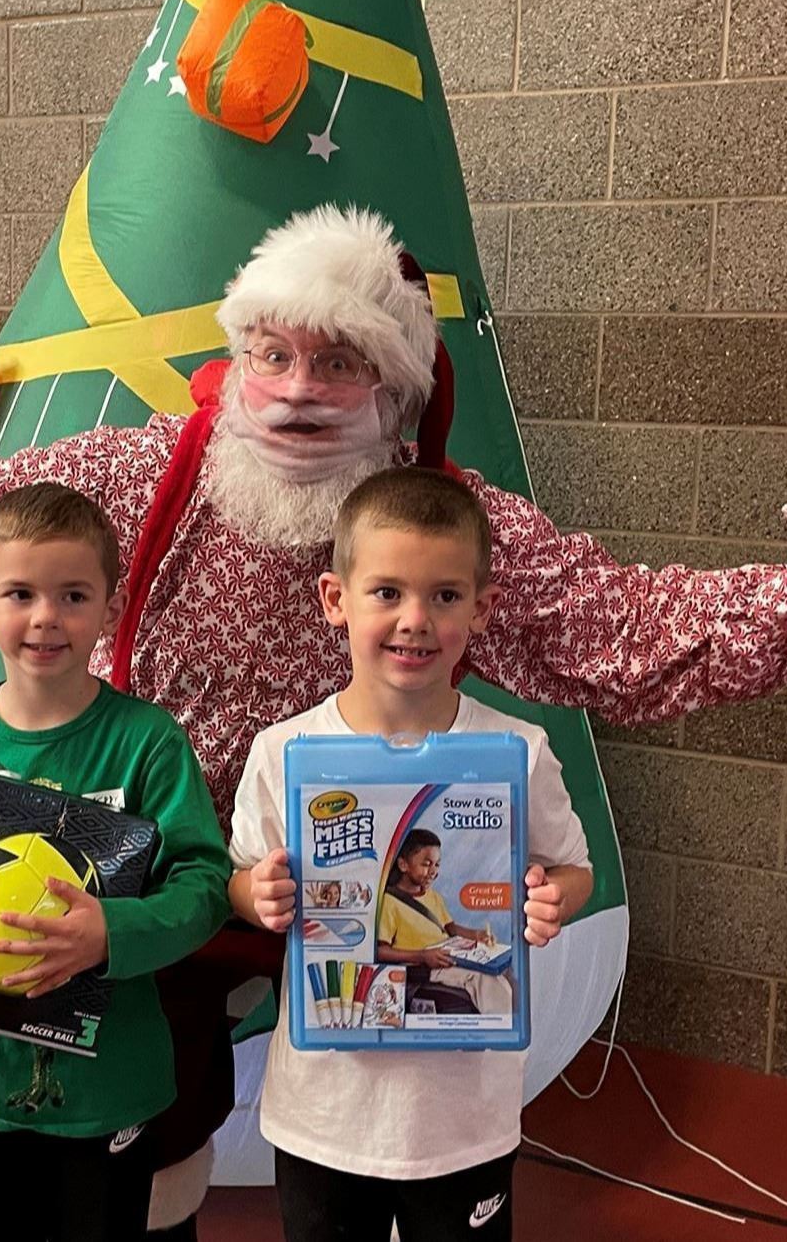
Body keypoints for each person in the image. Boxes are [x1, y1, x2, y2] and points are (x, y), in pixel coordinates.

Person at [0, 203, 787, 1232]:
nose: (299, 389)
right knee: (98, 1130)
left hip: (347, 902)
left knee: (318, 1151)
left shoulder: (440, 529)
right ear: (236, 353)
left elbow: (621, 628)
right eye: (274, 352)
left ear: (396, 388)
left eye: (340, 360)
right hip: (135, 871)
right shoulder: (146, 471)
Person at [229, 467, 592, 1241]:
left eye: (446, 595)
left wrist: (554, 897)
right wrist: (256, 893)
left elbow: (572, 868)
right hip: (325, 1113)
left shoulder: (517, 753)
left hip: (461, 1117)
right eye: (387, 591)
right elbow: (240, 876)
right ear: (336, 599)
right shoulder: (284, 750)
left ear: (482, 609)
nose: (415, 620)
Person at [0, 482, 231, 1242]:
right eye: (21, 593)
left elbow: (205, 888)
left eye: (74, 594)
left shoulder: (147, 742)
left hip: (108, 1086)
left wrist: (112, 929)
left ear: (110, 608)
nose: (46, 616)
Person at [377, 827, 512, 1017]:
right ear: (403, 864)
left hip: (449, 958)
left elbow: (451, 929)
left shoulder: (434, 897)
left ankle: (509, 1022)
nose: (433, 871)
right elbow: (380, 951)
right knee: (486, 980)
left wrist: (476, 935)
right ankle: (500, 1030)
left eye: (437, 865)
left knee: (506, 971)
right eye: (426, 864)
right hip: (422, 969)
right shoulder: (390, 903)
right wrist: (423, 956)